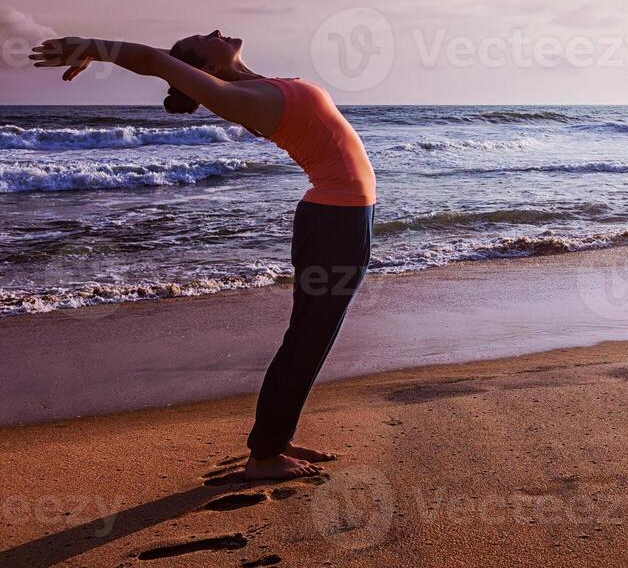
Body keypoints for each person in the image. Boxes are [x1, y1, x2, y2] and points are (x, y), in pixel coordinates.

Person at [30, 31, 376, 481]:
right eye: (202, 38)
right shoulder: (235, 96)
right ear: (206, 69)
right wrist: (96, 48)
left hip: (342, 216)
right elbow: (153, 59)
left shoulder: (257, 85)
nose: (214, 31)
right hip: (335, 221)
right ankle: (265, 455)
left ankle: (275, 439)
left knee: (308, 337)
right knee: (309, 338)